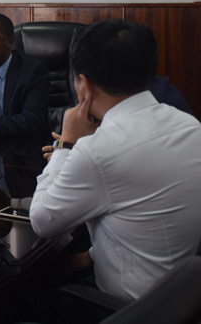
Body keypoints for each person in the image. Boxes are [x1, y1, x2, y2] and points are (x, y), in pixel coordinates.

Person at [30, 19, 201, 302]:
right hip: (183, 300)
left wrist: (66, 144)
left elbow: (42, 221)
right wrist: (92, 255)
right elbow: (147, 217)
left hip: (126, 309)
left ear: (85, 85)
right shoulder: (190, 126)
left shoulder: (96, 151)